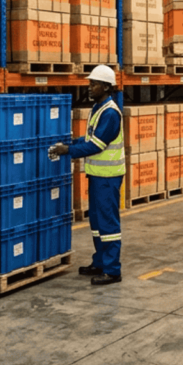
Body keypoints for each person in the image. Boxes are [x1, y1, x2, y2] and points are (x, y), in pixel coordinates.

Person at [48, 65, 124, 286]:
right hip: (97, 175)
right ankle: (99, 262)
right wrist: (72, 143)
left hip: (108, 177)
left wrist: (68, 151)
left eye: (94, 84)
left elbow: (97, 146)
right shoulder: (98, 108)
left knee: (108, 224)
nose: (90, 87)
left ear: (107, 87)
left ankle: (112, 270)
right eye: (90, 83)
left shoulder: (110, 112)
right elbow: (89, 138)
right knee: (97, 222)